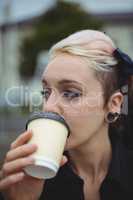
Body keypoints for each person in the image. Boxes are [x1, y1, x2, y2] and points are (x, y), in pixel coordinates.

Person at [0, 30, 133, 200]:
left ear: (114, 104)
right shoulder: (29, 181)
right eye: (46, 93)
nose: (48, 108)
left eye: (71, 93)